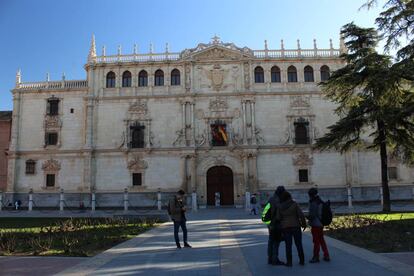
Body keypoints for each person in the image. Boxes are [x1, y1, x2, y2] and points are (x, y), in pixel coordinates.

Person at [276, 191, 306, 267]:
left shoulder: (280, 206)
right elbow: (301, 215)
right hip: (296, 226)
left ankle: (289, 262)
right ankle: (302, 260)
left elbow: (278, 218)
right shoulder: (294, 204)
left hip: (285, 228)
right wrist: (304, 224)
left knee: (288, 245)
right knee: (298, 244)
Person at [263, 186, 285, 265]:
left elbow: (265, 212)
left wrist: (268, 224)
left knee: (270, 242)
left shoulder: (270, 200)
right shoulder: (280, 201)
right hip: (277, 225)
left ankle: (270, 259)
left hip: (271, 225)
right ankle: (275, 260)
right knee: (276, 243)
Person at [308, 188, 330, 263]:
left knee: (316, 241)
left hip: (315, 224)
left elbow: (312, 215)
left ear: (310, 195)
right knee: (321, 240)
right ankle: (326, 255)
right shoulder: (320, 200)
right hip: (321, 223)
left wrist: (308, 218)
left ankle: (316, 257)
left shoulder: (313, 202)